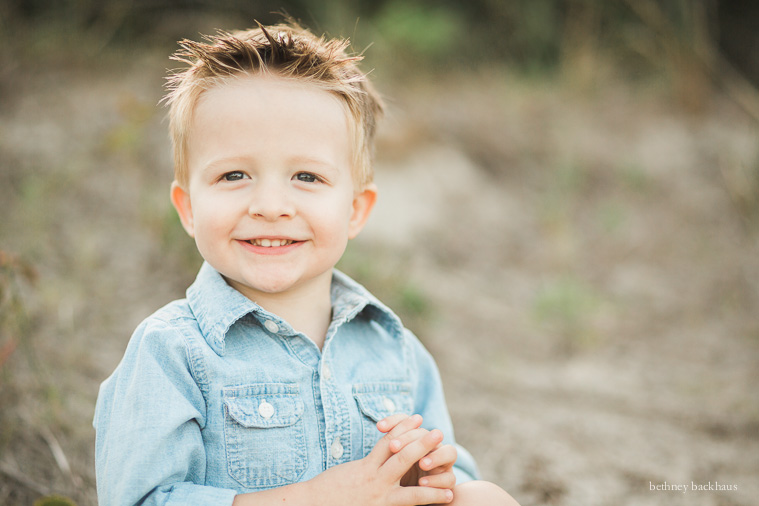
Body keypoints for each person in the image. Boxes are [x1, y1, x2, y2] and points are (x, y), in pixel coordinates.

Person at [93, 20, 520, 506]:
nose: (271, 205)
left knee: (482, 497)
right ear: (188, 207)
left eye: (306, 176)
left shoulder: (395, 351)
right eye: (234, 174)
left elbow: (451, 470)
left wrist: (429, 477)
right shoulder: (171, 353)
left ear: (355, 210)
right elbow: (141, 498)